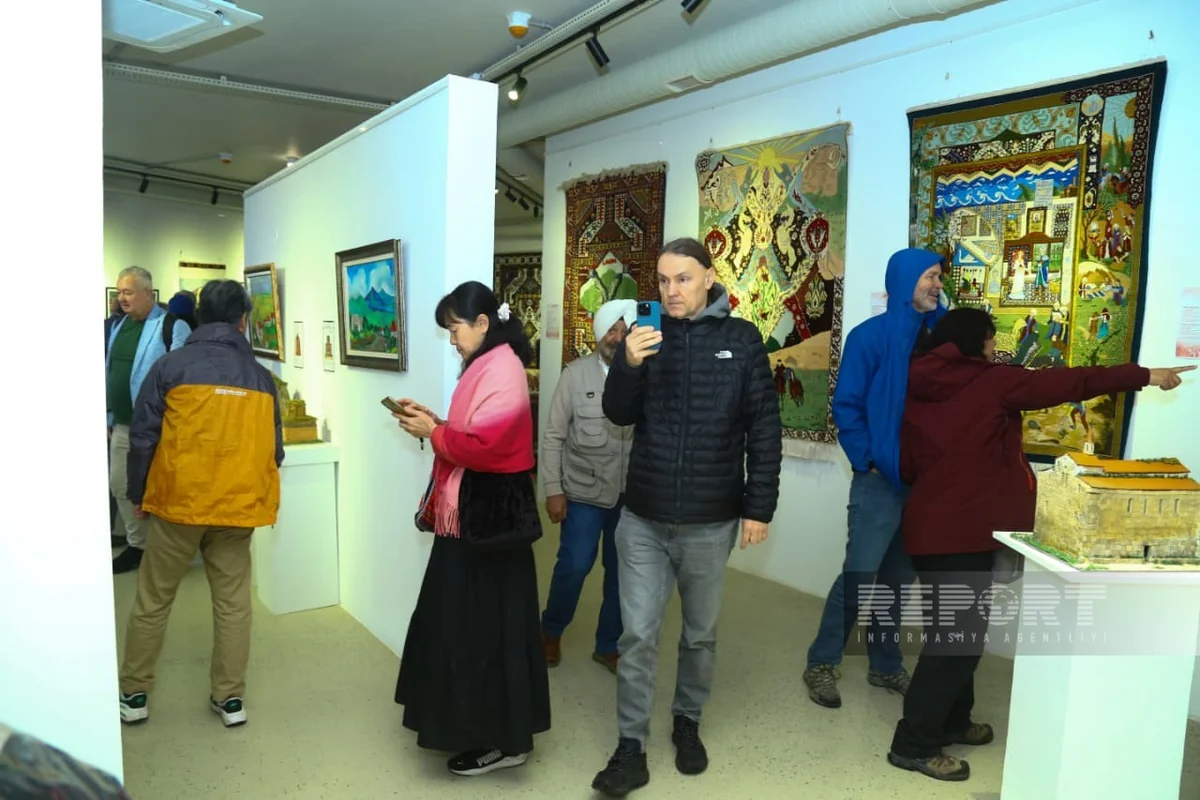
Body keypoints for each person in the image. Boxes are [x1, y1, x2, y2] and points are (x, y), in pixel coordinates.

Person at [889, 307, 1192, 781]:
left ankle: (952, 721)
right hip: (961, 531)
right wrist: (1143, 374)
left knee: (955, 638)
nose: (995, 348)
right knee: (955, 643)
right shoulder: (992, 382)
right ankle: (913, 745)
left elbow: (908, 462)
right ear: (975, 342)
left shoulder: (918, 382)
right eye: (990, 339)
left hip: (931, 527)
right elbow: (1068, 383)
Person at [590, 237, 782, 797]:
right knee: (637, 635)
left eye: (683, 278)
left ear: (708, 277)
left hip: (710, 520)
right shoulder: (644, 335)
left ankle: (687, 721)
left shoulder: (742, 340)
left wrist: (758, 507)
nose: (671, 290)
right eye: (663, 280)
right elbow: (617, 414)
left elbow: (763, 429)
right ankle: (630, 747)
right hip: (643, 518)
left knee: (698, 636)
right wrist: (628, 363)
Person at [391, 280, 551, 777]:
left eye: (455, 329)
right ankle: (480, 729)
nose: (452, 339)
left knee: (487, 632)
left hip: (488, 526)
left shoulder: (501, 367)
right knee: (469, 626)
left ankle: (505, 741)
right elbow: (474, 434)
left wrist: (434, 432)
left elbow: (489, 448)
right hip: (476, 522)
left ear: (483, 323)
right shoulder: (488, 363)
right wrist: (435, 422)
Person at [118, 280, 284, 729]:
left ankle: (134, 693)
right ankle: (230, 699)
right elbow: (275, 452)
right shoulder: (261, 378)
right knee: (233, 605)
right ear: (243, 321)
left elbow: (143, 438)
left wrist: (139, 495)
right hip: (236, 509)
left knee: (154, 599)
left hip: (179, 505)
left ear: (199, 316)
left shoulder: (169, 367)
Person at [803, 247, 947, 709]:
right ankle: (822, 662)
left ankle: (885, 666)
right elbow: (846, 405)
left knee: (897, 583)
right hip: (878, 482)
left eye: (939, 277)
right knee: (860, 576)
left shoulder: (939, 339)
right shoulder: (869, 337)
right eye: (929, 276)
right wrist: (867, 459)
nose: (937, 285)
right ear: (905, 280)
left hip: (921, 486)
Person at [540, 298, 637, 674]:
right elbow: (553, 435)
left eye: (624, 330)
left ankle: (608, 644)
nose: (617, 337)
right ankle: (550, 630)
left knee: (621, 572)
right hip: (582, 492)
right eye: (611, 330)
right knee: (575, 564)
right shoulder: (575, 375)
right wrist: (553, 489)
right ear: (599, 333)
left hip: (630, 496)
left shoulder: (646, 375)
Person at [107, 266, 192, 574]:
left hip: (158, 429)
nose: (122, 298)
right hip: (122, 425)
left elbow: (183, 378)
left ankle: (165, 549)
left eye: (128, 292)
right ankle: (138, 545)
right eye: (120, 292)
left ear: (147, 293)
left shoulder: (172, 326)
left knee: (159, 490)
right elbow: (111, 371)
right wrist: (109, 415)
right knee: (120, 484)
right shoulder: (118, 326)